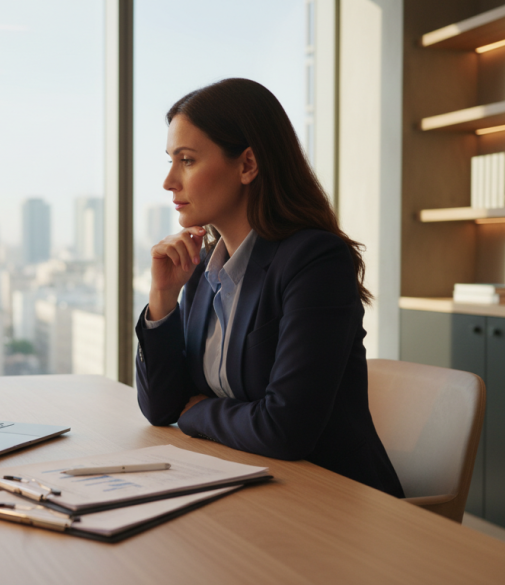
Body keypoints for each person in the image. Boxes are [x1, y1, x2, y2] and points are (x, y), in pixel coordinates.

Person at [135, 78, 403, 497]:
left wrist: (202, 411)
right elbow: (161, 408)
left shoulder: (315, 261)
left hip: (332, 501)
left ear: (247, 165)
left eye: (186, 160)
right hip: (246, 484)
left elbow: (284, 428)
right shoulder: (204, 265)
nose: (169, 181)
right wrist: (163, 299)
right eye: (171, 160)